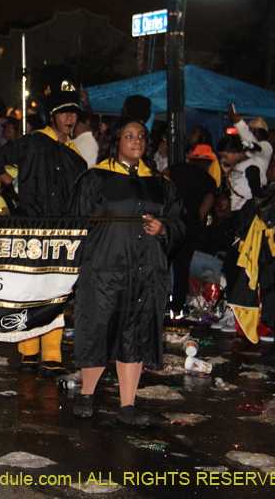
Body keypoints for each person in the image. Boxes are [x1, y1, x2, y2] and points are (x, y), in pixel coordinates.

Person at [70, 118, 184, 427]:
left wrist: (163, 228)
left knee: (135, 330)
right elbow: (76, 225)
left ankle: (128, 404)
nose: (137, 141)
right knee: (98, 326)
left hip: (145, 271)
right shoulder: (94, 179)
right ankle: (87, 393)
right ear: (116, 141)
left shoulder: (161, 184)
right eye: (129, 136)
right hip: (104, 268)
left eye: (142, 136)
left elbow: (179, 222)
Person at [0, 87, 87, 378]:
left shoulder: (76, 157)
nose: (70, 118)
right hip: (30, 228)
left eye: (74, 112)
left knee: (56, 292)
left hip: (63, 234)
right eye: (65, 112)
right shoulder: (32, 142)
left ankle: (52, 352)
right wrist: (10, 183)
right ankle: (28, 350)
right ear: (52, 116)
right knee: (29, 291)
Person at [163, 144, 218, 315]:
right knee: (182, 266)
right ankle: (178, 307)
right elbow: (207, 204)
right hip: (188, 223)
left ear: (190, 158)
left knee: (163, 263)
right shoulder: (209, 181)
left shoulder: (176, 168)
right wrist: (196, 221)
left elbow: (163, 178)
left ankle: (161, 302)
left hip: (170, 220)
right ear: (209, 163)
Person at [216, 134, 261, 212]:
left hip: (246, 211)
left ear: (235, 153)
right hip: (235, 209)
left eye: (225, 156)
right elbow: (229, 190)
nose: (222, 160)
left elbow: (255, 193)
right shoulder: (236, 166)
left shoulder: (251, 167)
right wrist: (226, 173)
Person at [229, 106, 271, 185]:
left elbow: (259, 149)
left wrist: (251, 146)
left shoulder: (267, 146)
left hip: (258, 185)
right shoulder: (250, 144)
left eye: (254, 130)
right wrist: (238, 122)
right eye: (250, 130)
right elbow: (247, 136)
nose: (251, 133)